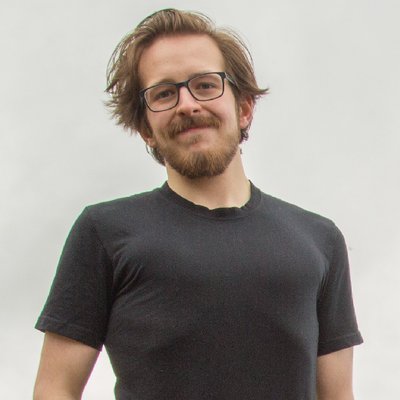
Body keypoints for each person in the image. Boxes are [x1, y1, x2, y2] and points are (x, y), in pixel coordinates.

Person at [33, 8, 363, 400]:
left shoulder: (319, 240)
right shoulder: (103, 233)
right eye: (164, 94)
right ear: (146, 128)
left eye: (206, 85)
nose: (187, 104)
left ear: (244, 108)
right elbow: (55, 389)